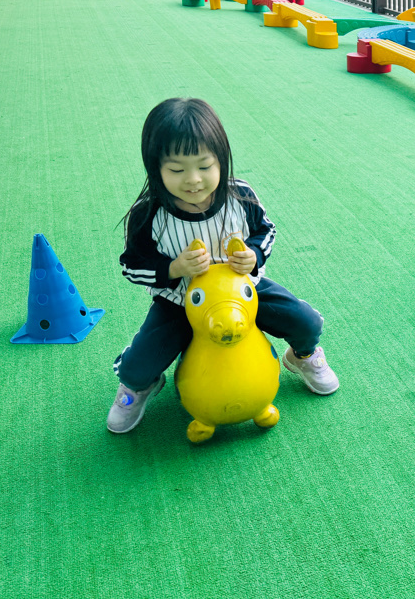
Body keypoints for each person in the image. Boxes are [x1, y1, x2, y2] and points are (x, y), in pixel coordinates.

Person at [107, 98, 339, 434]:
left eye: (204, 166)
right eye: (176, 170)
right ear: (155, 167)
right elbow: (131, 266)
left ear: (221, 159)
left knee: (305, 322)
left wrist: (253, 255)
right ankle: (139, 387)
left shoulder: (239, 196)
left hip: (245, 293)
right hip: (180, 302)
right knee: (137, 367)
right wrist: (173, 268)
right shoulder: (148, 213)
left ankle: (302, 356)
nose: (193, 180)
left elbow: (266, 231)